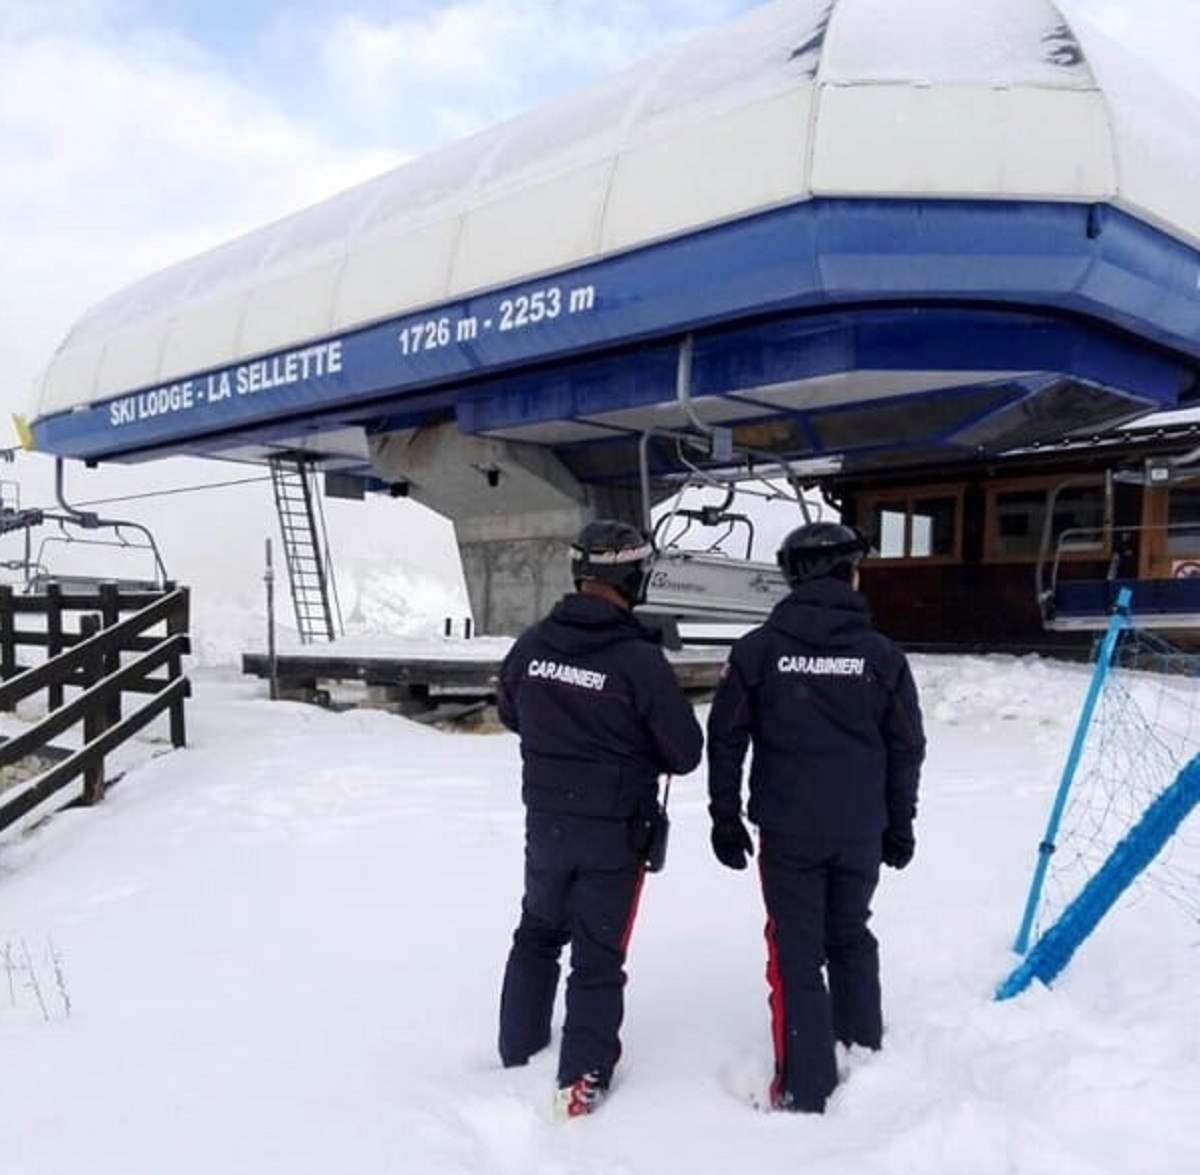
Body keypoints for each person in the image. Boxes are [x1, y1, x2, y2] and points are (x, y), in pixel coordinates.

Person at [705, 520, 925, 1114]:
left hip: (790, 829)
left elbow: (725, 738)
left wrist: (724, 816)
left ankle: (807, 1088)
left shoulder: (758, 651)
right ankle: (862, 1050)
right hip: (858, 825)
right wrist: (898, 821)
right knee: (849, 933)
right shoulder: (880, 656)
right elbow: (907, 745)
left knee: (798, 951)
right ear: (847, 574)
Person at [496, 518, 704, 1119]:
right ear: (631, 577)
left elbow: (511, 710)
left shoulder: (533, 644)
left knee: (537, 931)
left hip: (548, 823)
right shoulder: (639, 661)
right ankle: (581, 1079)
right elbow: (685, 752)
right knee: (597, 955)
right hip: (614, 831)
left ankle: (517, 1050)